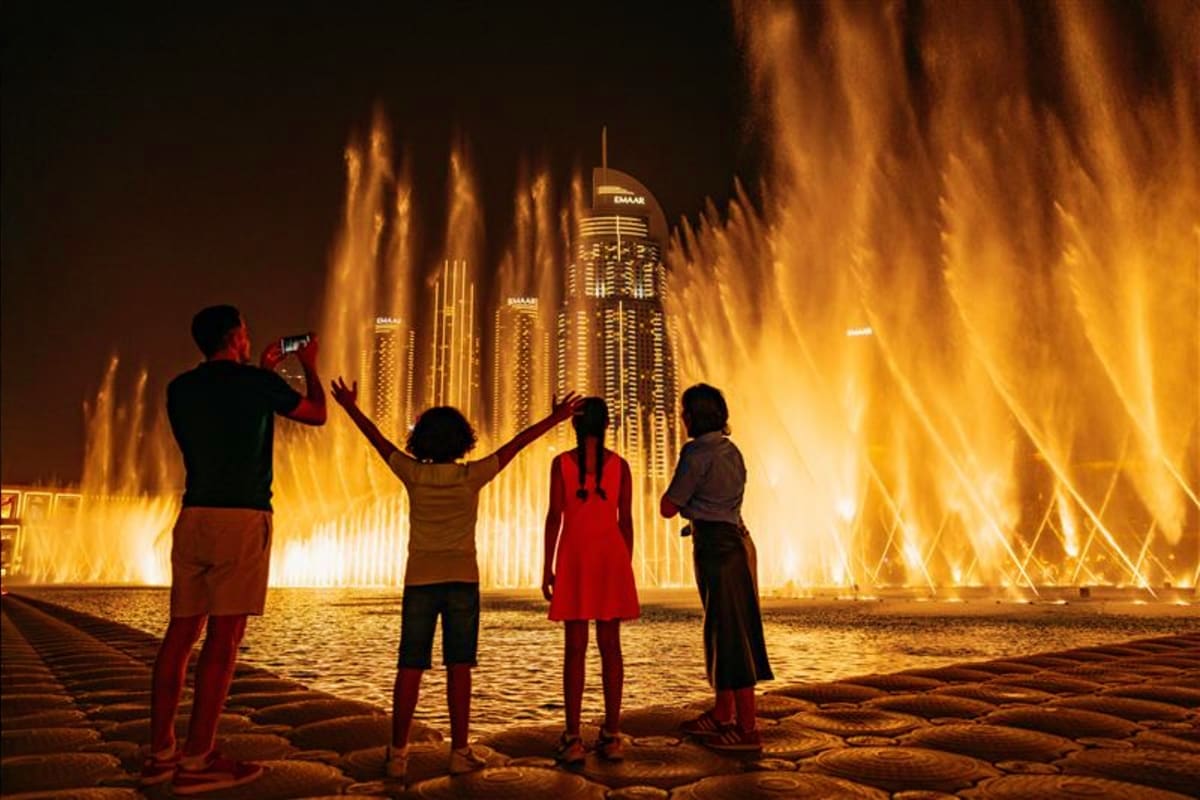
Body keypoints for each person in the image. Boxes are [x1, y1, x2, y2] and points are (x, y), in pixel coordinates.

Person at [331, 377, 581, 781]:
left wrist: (349, 406)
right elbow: (517, 444)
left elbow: (376, 440)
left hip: (419, 582)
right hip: (463, 581)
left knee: (409, 666)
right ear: (463, 440)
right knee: (459, 667)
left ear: (421, 443)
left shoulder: (412, 473)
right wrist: (555, 418)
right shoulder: (471, 476)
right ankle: (459, 751)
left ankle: (398, 754)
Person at [145, 305, 326, 793]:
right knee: (223, 643)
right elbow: (317, 414)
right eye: (245, 332)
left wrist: (262, 374)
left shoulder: (180, 387)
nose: (250, 337)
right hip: (241, 518)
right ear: (235, 337)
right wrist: (307, 364)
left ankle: (162, 752)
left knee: (180, 635)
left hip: (194, 515)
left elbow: (226, 419)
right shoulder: (254, 385)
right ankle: (199, 761)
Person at [660, 383, 772, 752]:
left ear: (694, 416)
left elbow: (668, 504)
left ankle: (747, 728)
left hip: (716, 550)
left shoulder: (695, 453)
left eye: (684, 411)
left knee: (730, 636)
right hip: (736, 543)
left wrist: (690, 509)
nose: (681, 417)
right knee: (729, 630)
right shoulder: (732, 451)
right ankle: (723, 713)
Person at [542, 397, 639, 764]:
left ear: (576, 426)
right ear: (607, 425)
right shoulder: (621, 466)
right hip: (610, 558)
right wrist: (623, 565)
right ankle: (612, 735)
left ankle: (572, 738)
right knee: (611, 647)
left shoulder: (561, 464)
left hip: (574, 557)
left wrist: (546, 567)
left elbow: (555, 517)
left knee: (575, 648)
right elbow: (625, 520)